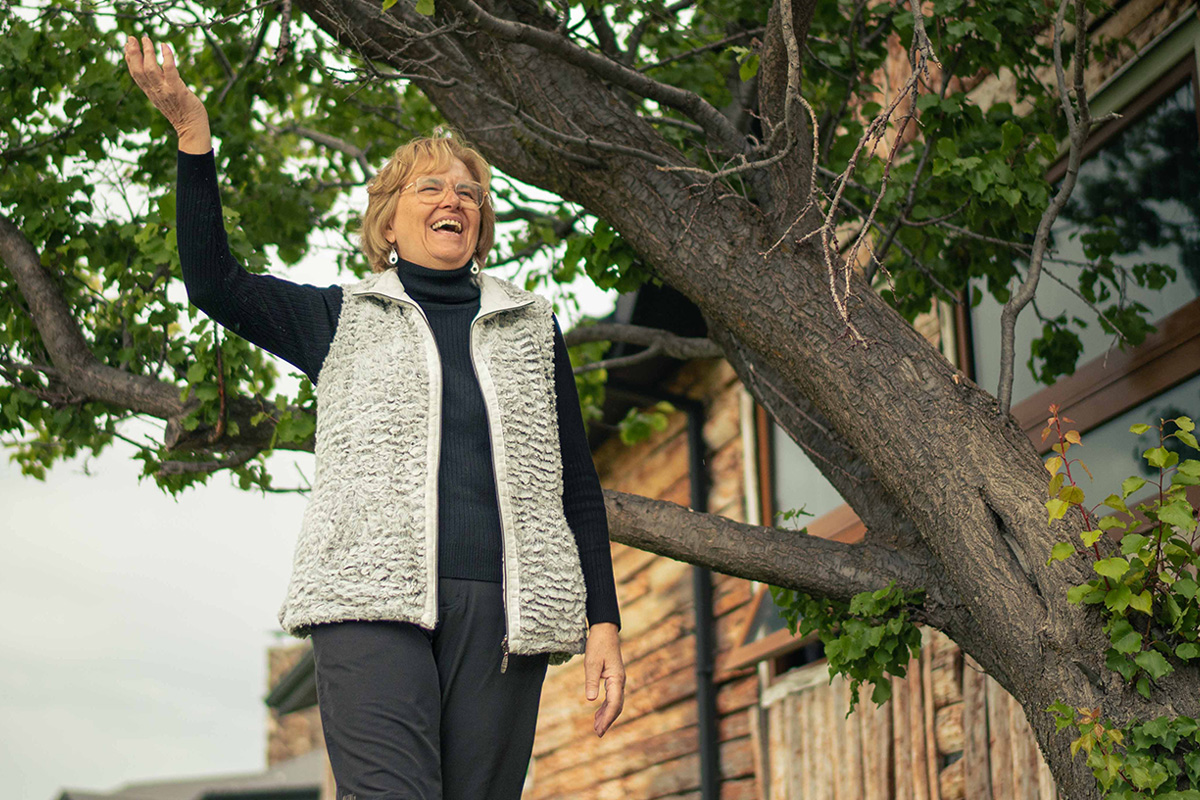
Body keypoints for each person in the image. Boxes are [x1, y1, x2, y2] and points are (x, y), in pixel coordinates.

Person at [124, 34, 625, 800]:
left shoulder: (532, 327)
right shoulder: (340, 318)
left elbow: (577, 490)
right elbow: (214, 282)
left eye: (467, 191)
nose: (453, 198)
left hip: (505, 615)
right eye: (428, 188)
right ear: (388, 225)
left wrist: (604, 625)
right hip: (369, 603)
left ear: (481, 225)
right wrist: (194, 139)